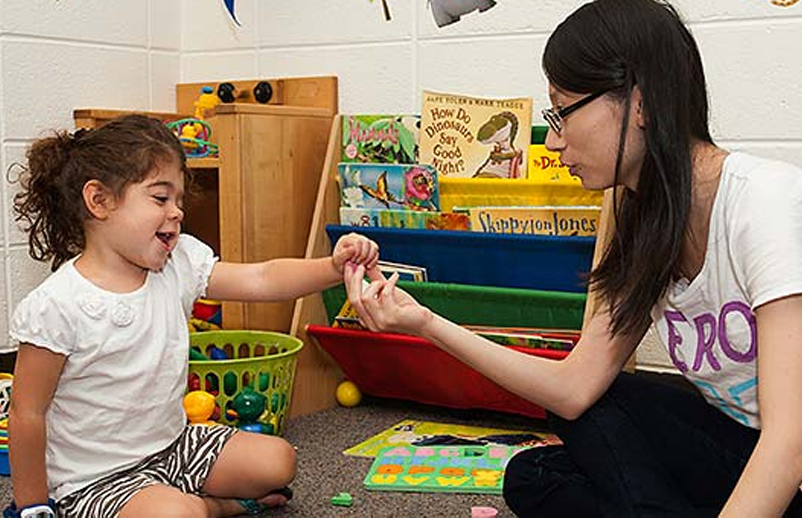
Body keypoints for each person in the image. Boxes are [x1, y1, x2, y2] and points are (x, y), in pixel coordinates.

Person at [344, 0, 802, 516]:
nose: (556, 140)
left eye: (562, 111)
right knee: (535, 472)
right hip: (736, 447)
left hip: (791, 465)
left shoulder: (764, 199)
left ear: (641, 102)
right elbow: (573, 388)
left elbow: (788, 443)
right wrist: (423, 322)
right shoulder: (640, 214)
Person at [3, 114, 379, 518]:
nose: (177, 212)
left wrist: (331, 267)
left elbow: (261, 278)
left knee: (278, 460)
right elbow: (27, 413)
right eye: (160, 198)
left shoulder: (178, 262)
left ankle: (190, 500)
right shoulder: (57, 304)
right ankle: (211, 507)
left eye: (179, 200)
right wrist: (32, 507)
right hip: (94, 479)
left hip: (172, 446)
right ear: (100, 201)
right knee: (180, 515)